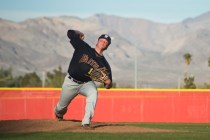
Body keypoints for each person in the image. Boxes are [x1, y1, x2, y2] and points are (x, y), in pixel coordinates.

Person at [54, 29, 112, 129]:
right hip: (71, 81)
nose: (103, 42)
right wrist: (79, 34)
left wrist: (108, 82)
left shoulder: (105, 65)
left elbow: (108, 85)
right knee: (61, 108)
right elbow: (70, 33)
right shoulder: (83, 46)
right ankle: (59, 114)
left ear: (107, 46)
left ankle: (86, 122)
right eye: (102, 40)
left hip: (87, 83)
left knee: (93, 93)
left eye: (106, 42)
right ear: (97, 41)